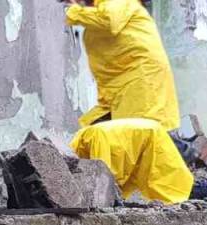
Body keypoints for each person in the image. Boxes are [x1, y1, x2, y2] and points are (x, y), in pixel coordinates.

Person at [70, 118, 207, 213]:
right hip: (149, 145)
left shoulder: (91, 140)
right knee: (185, 189)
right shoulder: (87, 138)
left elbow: (106, 177)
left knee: (187, 191)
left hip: (154, 148)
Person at [64, 0, 180, 131]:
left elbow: (109, 20)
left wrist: (74, 12)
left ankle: (183, 149)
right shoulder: (102, 12)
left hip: (139, 85)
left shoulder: (119, 2)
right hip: (120, 92)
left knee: (141, 137)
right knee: (94, 133)